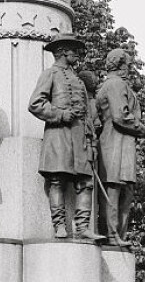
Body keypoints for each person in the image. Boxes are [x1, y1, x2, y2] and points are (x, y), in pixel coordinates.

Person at [28, 34, 105, 241]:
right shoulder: (50, 74)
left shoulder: (79, 80)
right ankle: (59, 225)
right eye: (73, 49)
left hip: (80, 137)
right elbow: (35, 104)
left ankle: (82, 227)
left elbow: (88, 115)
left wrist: (92, 143)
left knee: (86, 182)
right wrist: (60, 114)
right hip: (59, 135)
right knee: (58, 180)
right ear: (62, 51)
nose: (77, 54)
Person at [95, 48, 145, 247]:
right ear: (119, 66)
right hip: (115, 143)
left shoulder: (115, 84)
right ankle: (112, 235)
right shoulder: (116, 84)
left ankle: (117, 234)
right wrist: (144, 130)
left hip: (121, 143)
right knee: (114, 189)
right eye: (127, 65)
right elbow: (120, 116)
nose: (129, 69)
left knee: (123, 190)